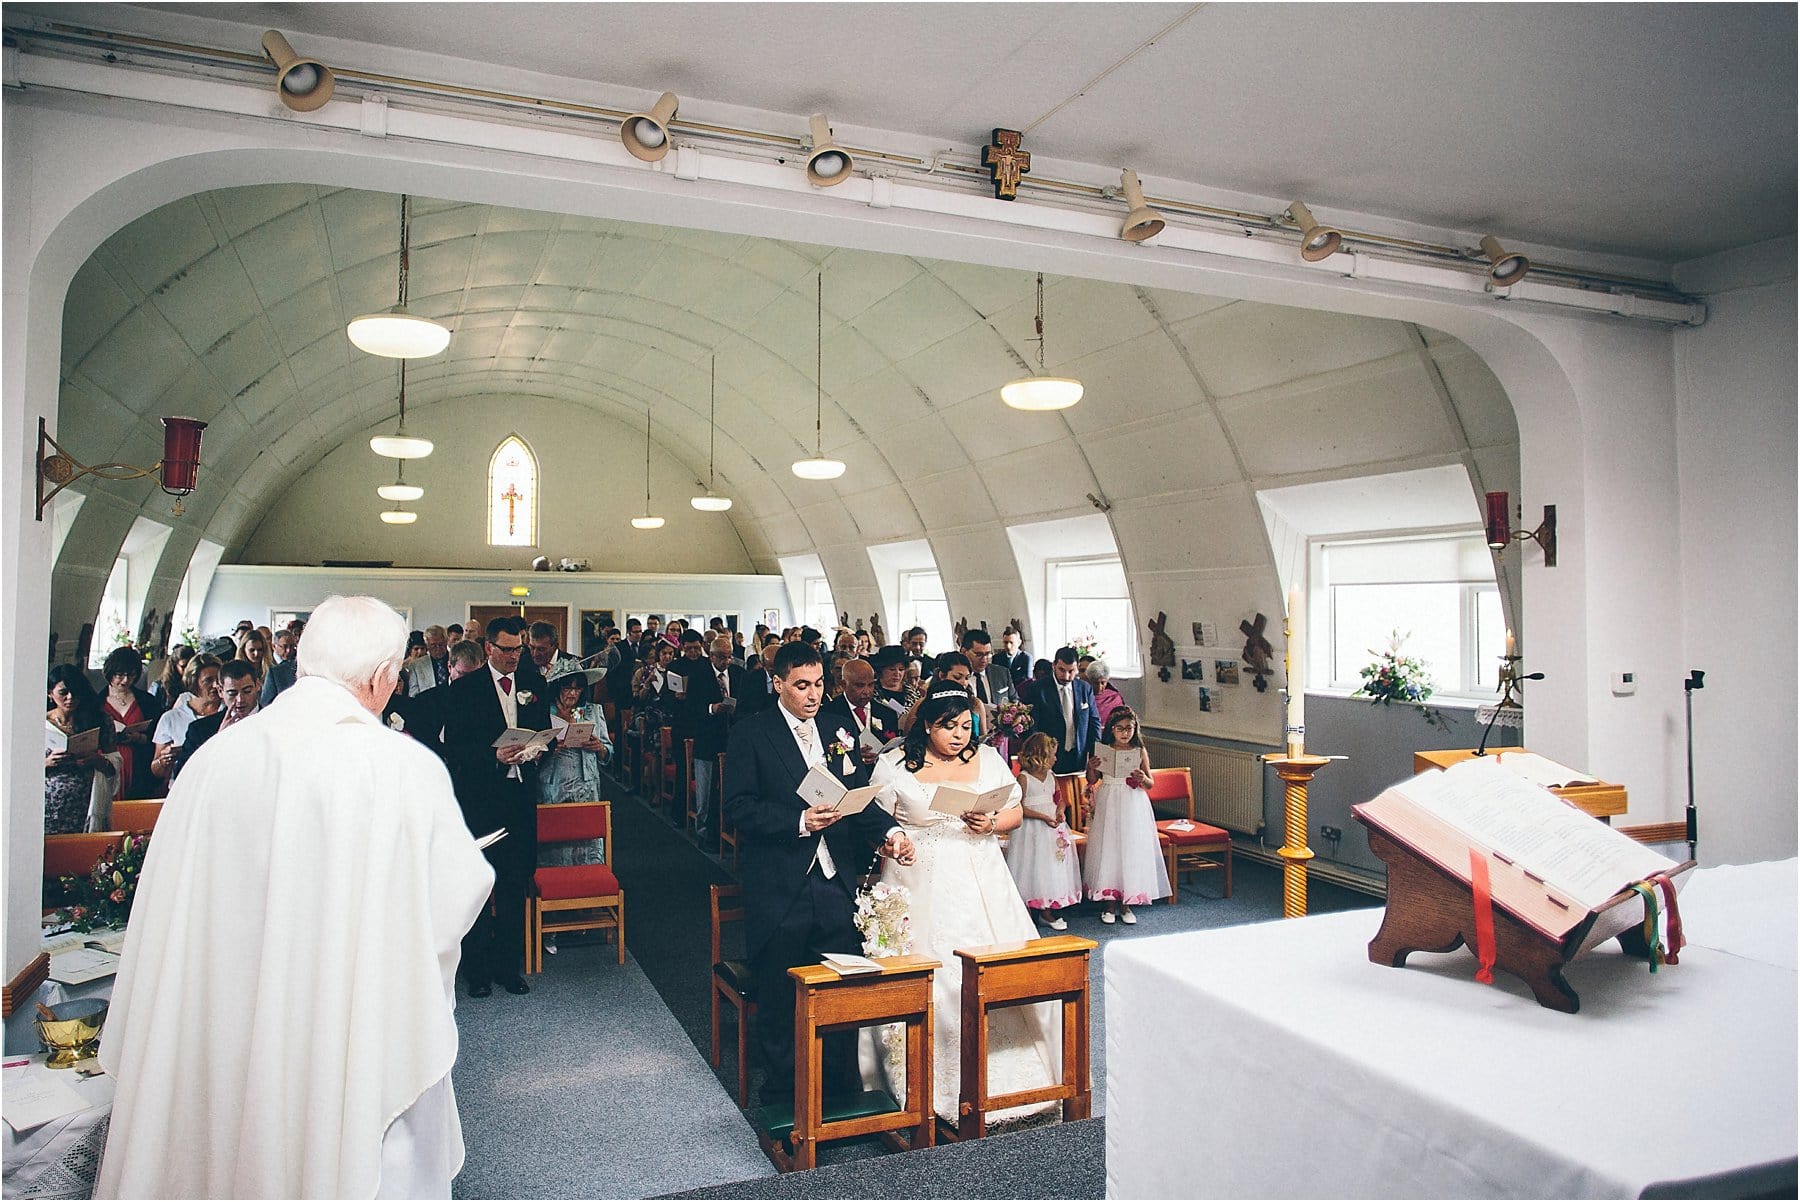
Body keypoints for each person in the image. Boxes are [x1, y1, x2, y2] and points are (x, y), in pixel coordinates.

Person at [95, 594, 494, 1198]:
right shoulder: (399, 768)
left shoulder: (212, 761)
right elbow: (453, 901)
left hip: (221, 1012)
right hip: (340, 1018)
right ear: (382, 676)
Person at [723, 640, 911, 1110]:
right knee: (782, 991)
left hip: (835, 880)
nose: (812, 695)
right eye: (801, 685)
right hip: (781, 881)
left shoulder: (835, 725)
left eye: (819, 684)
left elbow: (855, 796)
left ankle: (841, 1088)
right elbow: (737, 809)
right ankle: (785, 1093)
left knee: (841, 986)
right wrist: (799, 822)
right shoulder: (751, 733)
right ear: (778, 683)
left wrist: (887, 831)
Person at [869, 685, 1060, 1122]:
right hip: (919, 876)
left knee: (996, 968)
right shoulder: (894, 763)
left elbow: (1014, 808)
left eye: (964, 726)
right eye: (948, 727)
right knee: (935, 977)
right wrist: (894, 840)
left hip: (981, 874)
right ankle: (923, 1085)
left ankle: (1007, 1078)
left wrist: (990, 821)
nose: (958, 735)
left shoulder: (987, 759)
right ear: (927, 726)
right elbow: (874, 820)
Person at [443, 615, 550, 997]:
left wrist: (537, 750)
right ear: (489, 648)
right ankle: (476, 970)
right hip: (482, 801)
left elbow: (544, 735)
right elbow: (454, 748)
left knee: (513, 882)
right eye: (507, 650)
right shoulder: (465, 689)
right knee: (477, 884)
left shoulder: (534, 684)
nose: (515, 656)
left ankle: (508, 966)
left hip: (520, 798)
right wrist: (494, 757)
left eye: (519, 648)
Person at [1082, 706, 1170, 924]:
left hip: (1132, 802)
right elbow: (1092, 780)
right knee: (1110, 847)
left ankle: (1127, 904)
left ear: (1135, 729)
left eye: (1129, 728)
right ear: (1112, 729)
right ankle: (1109, 904)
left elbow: (1150, 784)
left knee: (1130, 848)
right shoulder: (1103, 749)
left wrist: (1141, 778)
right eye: (1120, 728)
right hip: (1109, 798)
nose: (1124, 733)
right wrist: (1090, 767)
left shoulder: (1139, 751)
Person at [1005, 732, 1084, 931]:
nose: (1056, 758)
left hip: (1050, 829)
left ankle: (1046, 909)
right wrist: (1043, 817)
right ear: (1040, 755)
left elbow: (1060, 799)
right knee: (1033, 866)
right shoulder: (1023, 778)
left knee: (1049, 867)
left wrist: (1059, 811)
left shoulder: (1051, 775)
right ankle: (1029, 909)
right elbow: (1020, 807)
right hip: (1031, 830)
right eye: (1052, 755)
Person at [685, 634, 745, 845]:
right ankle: (702, 831)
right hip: (707, 738)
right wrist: (712, 708)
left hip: (732, 737)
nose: (726, 661)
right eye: (721, 657)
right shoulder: (698, 674)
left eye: (729, 657)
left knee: (730, 788)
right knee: (705, 789)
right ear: (711, 656)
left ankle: (725, 828)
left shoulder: (738, 673)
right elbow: (691, 707)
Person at [45, 665, 115, 834]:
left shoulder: (99, 720)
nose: (70, 698)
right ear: (50, 693)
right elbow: (16, 768)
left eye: (76, 692)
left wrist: (97, 760)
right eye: (63, 693)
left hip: (85, 802)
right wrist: (46, 763)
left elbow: (115, 761)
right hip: (47, 804)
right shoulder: (38, 723)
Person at [816, 658, 899, 787]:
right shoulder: (827, 713)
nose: (867, 691)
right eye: (859, 685)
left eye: (871, 685)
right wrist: (853, 754)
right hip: (847, 782)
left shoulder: (887, 714)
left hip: (882, 780)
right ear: (843, 684)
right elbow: (824, 752)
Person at [100, 646, 165, 801]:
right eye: (120, 675)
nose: (125, 680)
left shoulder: (147, 701)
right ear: (110, 673)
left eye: (131, 675)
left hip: (139, 766)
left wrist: (139, 738)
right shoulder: (96, 703)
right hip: (108, 766)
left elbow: (159, 734)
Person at [178, 659, 261, 775]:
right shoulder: (200, 730)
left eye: (247, 691)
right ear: (220, 691)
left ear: (258, 685)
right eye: (232, 693)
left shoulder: (276, 722)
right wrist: (218, 740)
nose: (240, 700)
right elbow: (183, 776)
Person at [150, 654, 221, 784]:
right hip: (183, 786)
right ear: (193, 682)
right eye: (208, 680)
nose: (216, 685)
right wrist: (164, 760)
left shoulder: (229, 713)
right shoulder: (171, 719)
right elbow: (156, 771)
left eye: (218, 679)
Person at [1031, 647, 1100, 774]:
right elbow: (1032, 726)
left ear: (1077, 667)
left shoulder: (1085, 688)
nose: (1066, 676)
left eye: (1071, 671)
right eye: (1061, 670)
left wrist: (1096, 754)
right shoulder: (1038, 689)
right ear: (1054, 665)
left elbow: (1094, 722)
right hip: (1048, 757)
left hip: (1078, 756)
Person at [962, 627, 1016, 710]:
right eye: (979, 654)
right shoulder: (955, 675)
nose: (984, 659)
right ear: (964, 652)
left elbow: (1015, 701)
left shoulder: (1002, 673)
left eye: (987, 654)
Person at [404, 625, 453, 696]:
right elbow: (413, 694)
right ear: (427, 645)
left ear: (446, 642)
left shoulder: (456, 659)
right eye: (433, 645)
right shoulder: (416, 665)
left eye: (441, 644)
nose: (438, 648)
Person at [1087, 658, 1125, 727]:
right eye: (1095, 683)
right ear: (1089, 681)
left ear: (1107, 681)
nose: (1099, 687)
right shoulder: (1083, 695)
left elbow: (1121, 719)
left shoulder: (1114, 697)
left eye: (1103, 683)